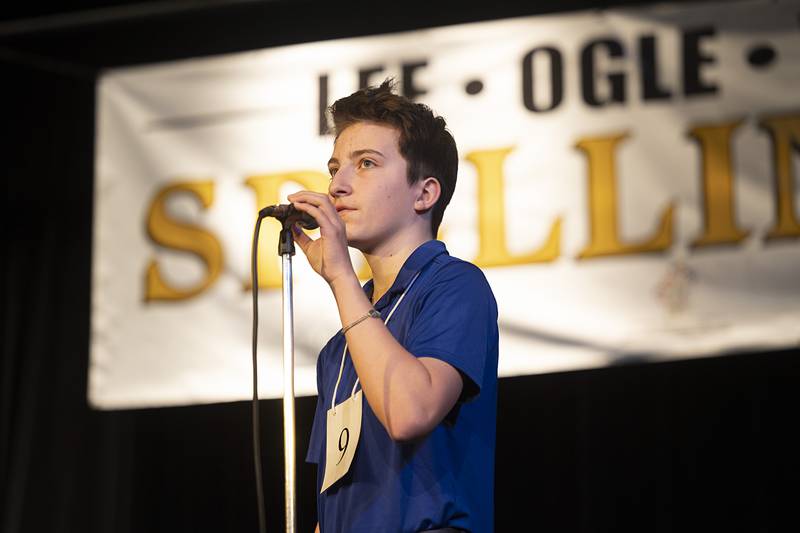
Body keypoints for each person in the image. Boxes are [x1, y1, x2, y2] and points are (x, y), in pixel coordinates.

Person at [288, 79, 498, 533]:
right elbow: (334, 498)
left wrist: (341, 275)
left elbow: (409, 413)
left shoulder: (455, 285)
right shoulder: (338, 350)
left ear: (424, 194)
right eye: (334, 167)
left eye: (365, 164)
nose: (337, 186)